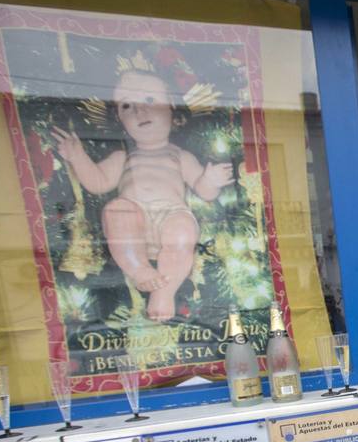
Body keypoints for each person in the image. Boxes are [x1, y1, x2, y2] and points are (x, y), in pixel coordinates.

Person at [53, 69, 235, 322]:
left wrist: (211, 180)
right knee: (117, 210)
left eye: (150, 100)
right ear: (119, 120)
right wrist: (77, 157)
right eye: (127, 105)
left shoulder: (179, 156)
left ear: (174, 110)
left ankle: (164, 293)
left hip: (171, 217)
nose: (140, 111)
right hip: (133, 221)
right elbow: (97, 182)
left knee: (183, 230)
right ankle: (139, 269)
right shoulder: (123, 158)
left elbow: (203, 190)